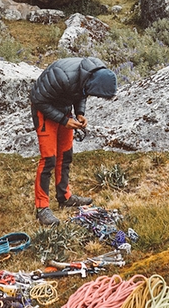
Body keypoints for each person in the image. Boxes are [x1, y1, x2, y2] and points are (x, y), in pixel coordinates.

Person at [30, 56, 117, 226]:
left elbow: (82, 92)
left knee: (65, 154)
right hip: (44, 108)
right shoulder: (62, 76)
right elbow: (38, 99)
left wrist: (80, 113)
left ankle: (65, 197)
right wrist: (64, 120)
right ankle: (42, 208)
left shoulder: (92, 75)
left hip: (63, 110)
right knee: (49, 160)